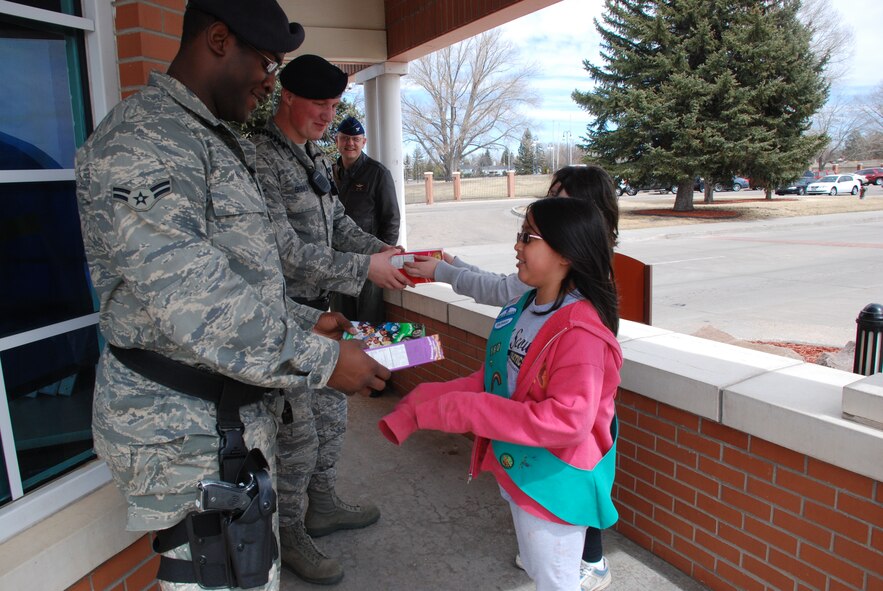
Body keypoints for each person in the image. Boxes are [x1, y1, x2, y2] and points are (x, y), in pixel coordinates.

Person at [74, 2, 390, 590]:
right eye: (267, 62)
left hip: (226, 422)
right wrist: (320, 361)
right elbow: (190, 297)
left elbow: (242, 273)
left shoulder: (210, 139)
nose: (271, 82)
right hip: (181, 431)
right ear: (219, 40)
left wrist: (309, 321)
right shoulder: (144, 141)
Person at [380, 197, 623, 591]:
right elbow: (497, 379)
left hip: (554, 486)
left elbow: (567, 421)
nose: (517, 246)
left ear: (566, 253)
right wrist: (425, 401)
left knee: (555, 582)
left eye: (528, 237)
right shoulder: (526, 306)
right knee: (536, 567)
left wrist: (468, 409)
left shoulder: (580, 333)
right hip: (520, 472)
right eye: (520, 235)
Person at [252, 55, 411, 585]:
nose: (328, 115)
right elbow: (285, 253)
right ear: (287, 96)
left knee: (332, 419)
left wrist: (391, 254)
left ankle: (322, 505)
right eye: (319, 104)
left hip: (325, 316)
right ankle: (289, 532)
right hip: (284, 322)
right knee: (295, 437)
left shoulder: (311, 156)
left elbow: (338, 224)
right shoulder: (261, 161)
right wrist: (366, 267)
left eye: (335, 105)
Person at [330, 116, 401, 325]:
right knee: (342, 322)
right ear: (337, 141)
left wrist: (384, 257)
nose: (349, 143)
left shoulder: (378, 173)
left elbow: (391, 219)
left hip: (369, 262)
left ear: (363, 142)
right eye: (344, 138)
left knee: (368, 324)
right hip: (339, 261)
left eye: (355, 139)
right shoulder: (329, 171)